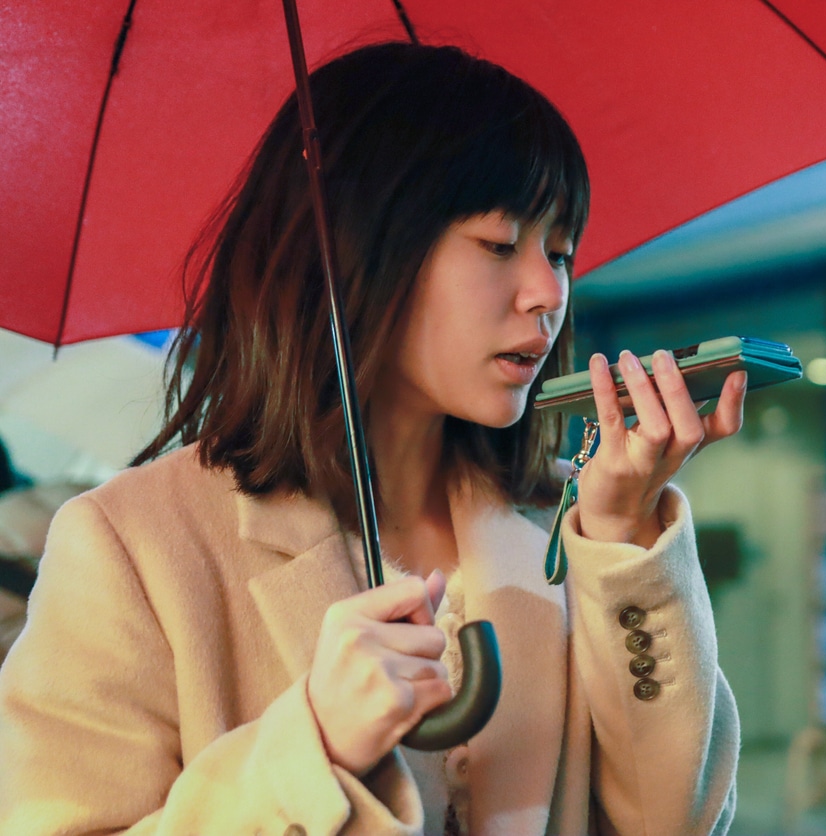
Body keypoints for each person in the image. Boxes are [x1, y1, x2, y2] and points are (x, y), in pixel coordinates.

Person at [0, 42, 743, 835]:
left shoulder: (576, 520)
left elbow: (678, 821)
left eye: (560, 253)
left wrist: (627, 537)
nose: (548, 293)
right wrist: (310, 747)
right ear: (357, 246)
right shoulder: (133, 547)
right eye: (501, 244)